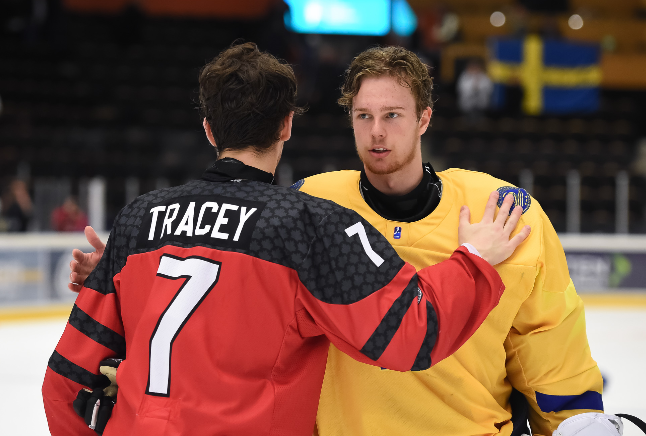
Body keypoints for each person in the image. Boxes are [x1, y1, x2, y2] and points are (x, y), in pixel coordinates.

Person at [45, 42, 530, 436]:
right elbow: (412, 333)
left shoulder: (137, 222)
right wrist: (473, 259)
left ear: (210, 129)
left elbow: (64, 384)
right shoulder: (309, 225)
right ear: (287, 125)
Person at [295, 46, 601, 436]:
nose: (376, 131)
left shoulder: (500, 213)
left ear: (424, 119)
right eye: (364, 116)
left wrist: (576, 425)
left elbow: (548, 346)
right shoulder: (310, 208)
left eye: (392, 115)